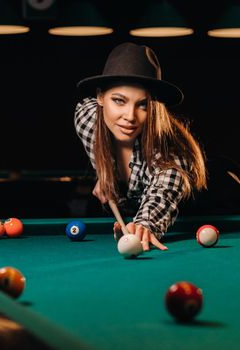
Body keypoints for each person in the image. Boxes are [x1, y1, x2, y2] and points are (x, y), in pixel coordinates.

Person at [74, 42, 207, 251]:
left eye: (143, 104)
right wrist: (104, 169)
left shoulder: (170, 152)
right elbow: (86, 110)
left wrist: (144, 225)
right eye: (119, 101)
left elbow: (163, 193)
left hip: (208, 211)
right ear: (100, 97)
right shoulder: (87, 119)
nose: (129, 116)